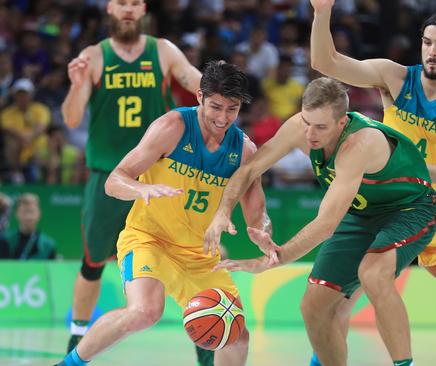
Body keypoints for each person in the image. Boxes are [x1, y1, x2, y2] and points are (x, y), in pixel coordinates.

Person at [309, 2, 436, 365]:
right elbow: (327, 64)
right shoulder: (395, 77)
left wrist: (396, 168)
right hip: (389, 207)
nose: (432, 52)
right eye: (427, 42)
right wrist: (322, 13)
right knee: (338, 302)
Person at [210, 77, 436, 366]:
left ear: (342, 123)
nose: (309, 134)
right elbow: (250, 169)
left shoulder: (359, 143)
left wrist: (273, 259)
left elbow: (326, 224)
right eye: (307, 122)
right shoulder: (301, 127)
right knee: (313, 306)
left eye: (320, 127)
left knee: (372, 274)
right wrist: (223, 210)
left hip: (409, 209)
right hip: (361, 213)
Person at [56, 60, 272, 366]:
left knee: (235, 334)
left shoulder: (245, 151)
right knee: (145, 312)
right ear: (199, 97)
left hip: (200, 255)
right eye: (216, 107)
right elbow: (114, 181)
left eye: (232, 109)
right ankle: (68, 364)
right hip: (149, 240)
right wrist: (139, 189)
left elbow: (256, 209)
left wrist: (262, 230)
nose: (223, 117)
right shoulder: (172, 127)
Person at [59, 0, 206, 362]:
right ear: (111, 8)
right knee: (92, 263)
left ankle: (206, 346)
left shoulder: (163, 51)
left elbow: (196, 82)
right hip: (109, 176)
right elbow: (72, 118)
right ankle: (76, 338)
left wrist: (215, 91)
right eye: (121, 3)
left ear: (142, 10)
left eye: (134, 3)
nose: (128, 9)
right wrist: (78, 85)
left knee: (188, 257)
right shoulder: (94, 56)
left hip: (158, 175)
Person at [0, 193, 57, 260]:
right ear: (17, 213)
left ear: (39, 214)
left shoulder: (48, 244)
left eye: (31, 211)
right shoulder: (5, 240)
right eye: (24, 211)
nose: (28, 216)